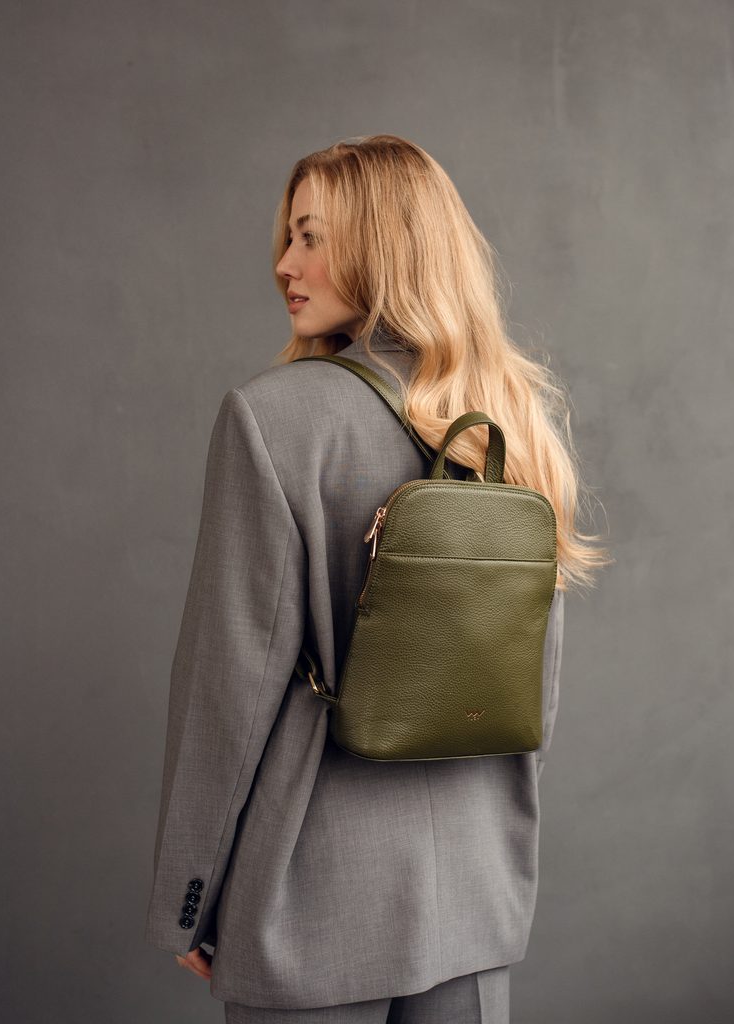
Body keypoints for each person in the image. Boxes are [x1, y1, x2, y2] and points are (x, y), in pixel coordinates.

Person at [144, 134, 611, 1023]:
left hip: (308, 906)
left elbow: (227, 690)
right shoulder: (511, 420)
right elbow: (530, 695)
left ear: (384, 246)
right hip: (473, 897)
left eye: (311, 237)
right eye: (289, 237)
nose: (285, 263)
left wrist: (187, 898)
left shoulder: (272, 419)